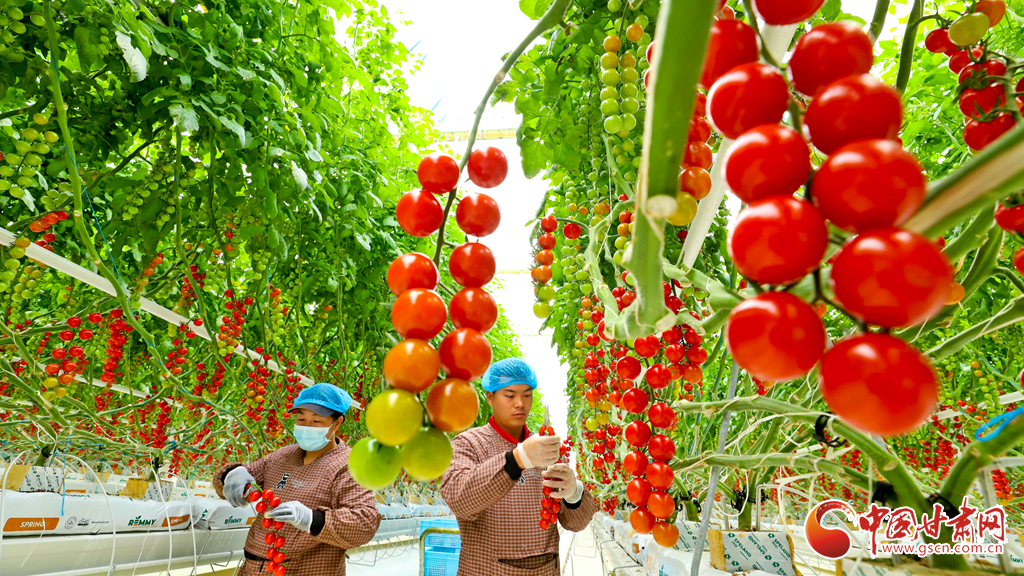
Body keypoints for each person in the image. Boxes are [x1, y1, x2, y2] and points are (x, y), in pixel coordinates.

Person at [441, 358, 597, 576]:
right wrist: (518, 458)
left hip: (544, 569)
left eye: (527, 394)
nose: (520, 404)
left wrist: (574, 494)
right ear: (489, 397)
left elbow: (576, 523)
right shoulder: (469, 444)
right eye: (510, 395)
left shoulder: (546, 448)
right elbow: (460, 499)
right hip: (488, 570)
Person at [213, 383, 381, 576]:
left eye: (316, 421)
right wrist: (231, 474)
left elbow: (364, 522)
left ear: (337, 423)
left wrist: (313, 519)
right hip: (253, 568)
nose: (307, 426)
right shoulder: (283, 456)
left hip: (305, 570)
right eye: (301, 419)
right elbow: (244, 476)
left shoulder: (350, 466)